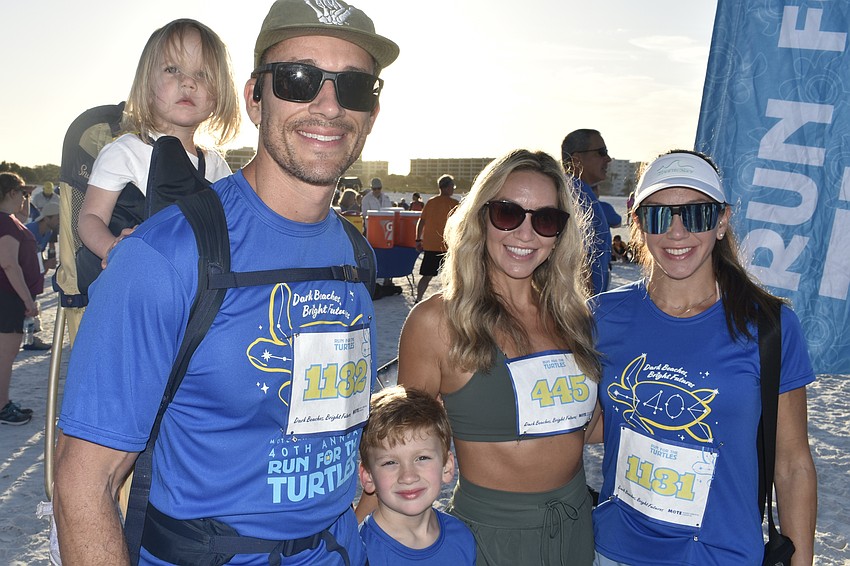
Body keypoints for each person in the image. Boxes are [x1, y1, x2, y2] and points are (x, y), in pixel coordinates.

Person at [53, 1, 399, 564]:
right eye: (298, 79)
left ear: (373, 110)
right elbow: (83, 483)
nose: (328, 105)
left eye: (354, 87)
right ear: (254, 99)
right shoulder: (161, 258)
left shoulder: (354, 253)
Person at [357, 149, 600, 565]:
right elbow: (397, 442)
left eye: (545, 219)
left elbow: (589, 425)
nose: (525, 234)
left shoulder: (573, 316)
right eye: (508, 213)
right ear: (481, 216)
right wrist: (356, 540)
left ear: (560, 233)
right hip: (488, 541)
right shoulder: (437, 322)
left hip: (577, 528)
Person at [589, 150, 817, 565]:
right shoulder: (601, 317)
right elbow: (583, 425)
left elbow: (792, 462)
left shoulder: (770, 325)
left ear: (722, 220)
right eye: (659, 215)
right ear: (637, 222)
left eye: (696, 214)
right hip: (616, 551)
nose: (677, 232)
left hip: (724, 554)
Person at [77, 18, 241, 271]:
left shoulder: (216, 165)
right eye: (172, 69)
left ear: (219, 94)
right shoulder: (125, 152)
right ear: (147, 81)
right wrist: (112, 248)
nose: (188, 82)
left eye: (202, 74)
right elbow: (91, 217)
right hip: (138, 283)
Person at [358, 385, 476, 565]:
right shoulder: (359, 554)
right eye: (390, 462)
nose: (408, 476)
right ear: (368, 476)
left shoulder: (462, 538)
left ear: (447, 466)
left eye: (422, 458)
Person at [0, 173, 41, 425]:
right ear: (11, 193)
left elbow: (23, 220)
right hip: (8, 297)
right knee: (5, 356)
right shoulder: (5, 223)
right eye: (23, 194)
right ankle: (2, 406)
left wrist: (23, 206)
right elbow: (8, 263)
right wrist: (27, 300)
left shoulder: (10, 220)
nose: (26, 198)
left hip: (7, 297)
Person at [561, 128, 614, 294]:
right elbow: (576, 260)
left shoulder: (579, 191)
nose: (608, 159)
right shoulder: (576, 194)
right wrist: (586, 313)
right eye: (601, 152)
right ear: (576, 160)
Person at [413, 174, 458, 303]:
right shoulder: (455, 204)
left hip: (432, 245)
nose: (453, 189)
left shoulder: (431, 202)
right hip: (447, 246)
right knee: (451, 277)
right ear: (446, 187)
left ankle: (418, 298)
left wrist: (418, 239)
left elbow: (421, 222)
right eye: (452, 186)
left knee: (427, 276)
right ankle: (449, 302)